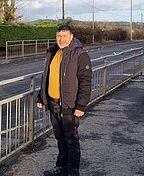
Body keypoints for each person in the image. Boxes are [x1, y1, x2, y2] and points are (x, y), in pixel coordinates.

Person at [37, 24, 92, 176]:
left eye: (64, 36)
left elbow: (85, 82)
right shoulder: (53, 52)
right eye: (59, 36)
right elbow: (47, 77)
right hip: (53, 103)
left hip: (69, 105)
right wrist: (41, 97)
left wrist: (81, 105)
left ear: (71, 37)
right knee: (60, 138)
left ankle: (73, 171)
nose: (61, 39)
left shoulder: (80, 55)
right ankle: (61, 167)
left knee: (71, 139)